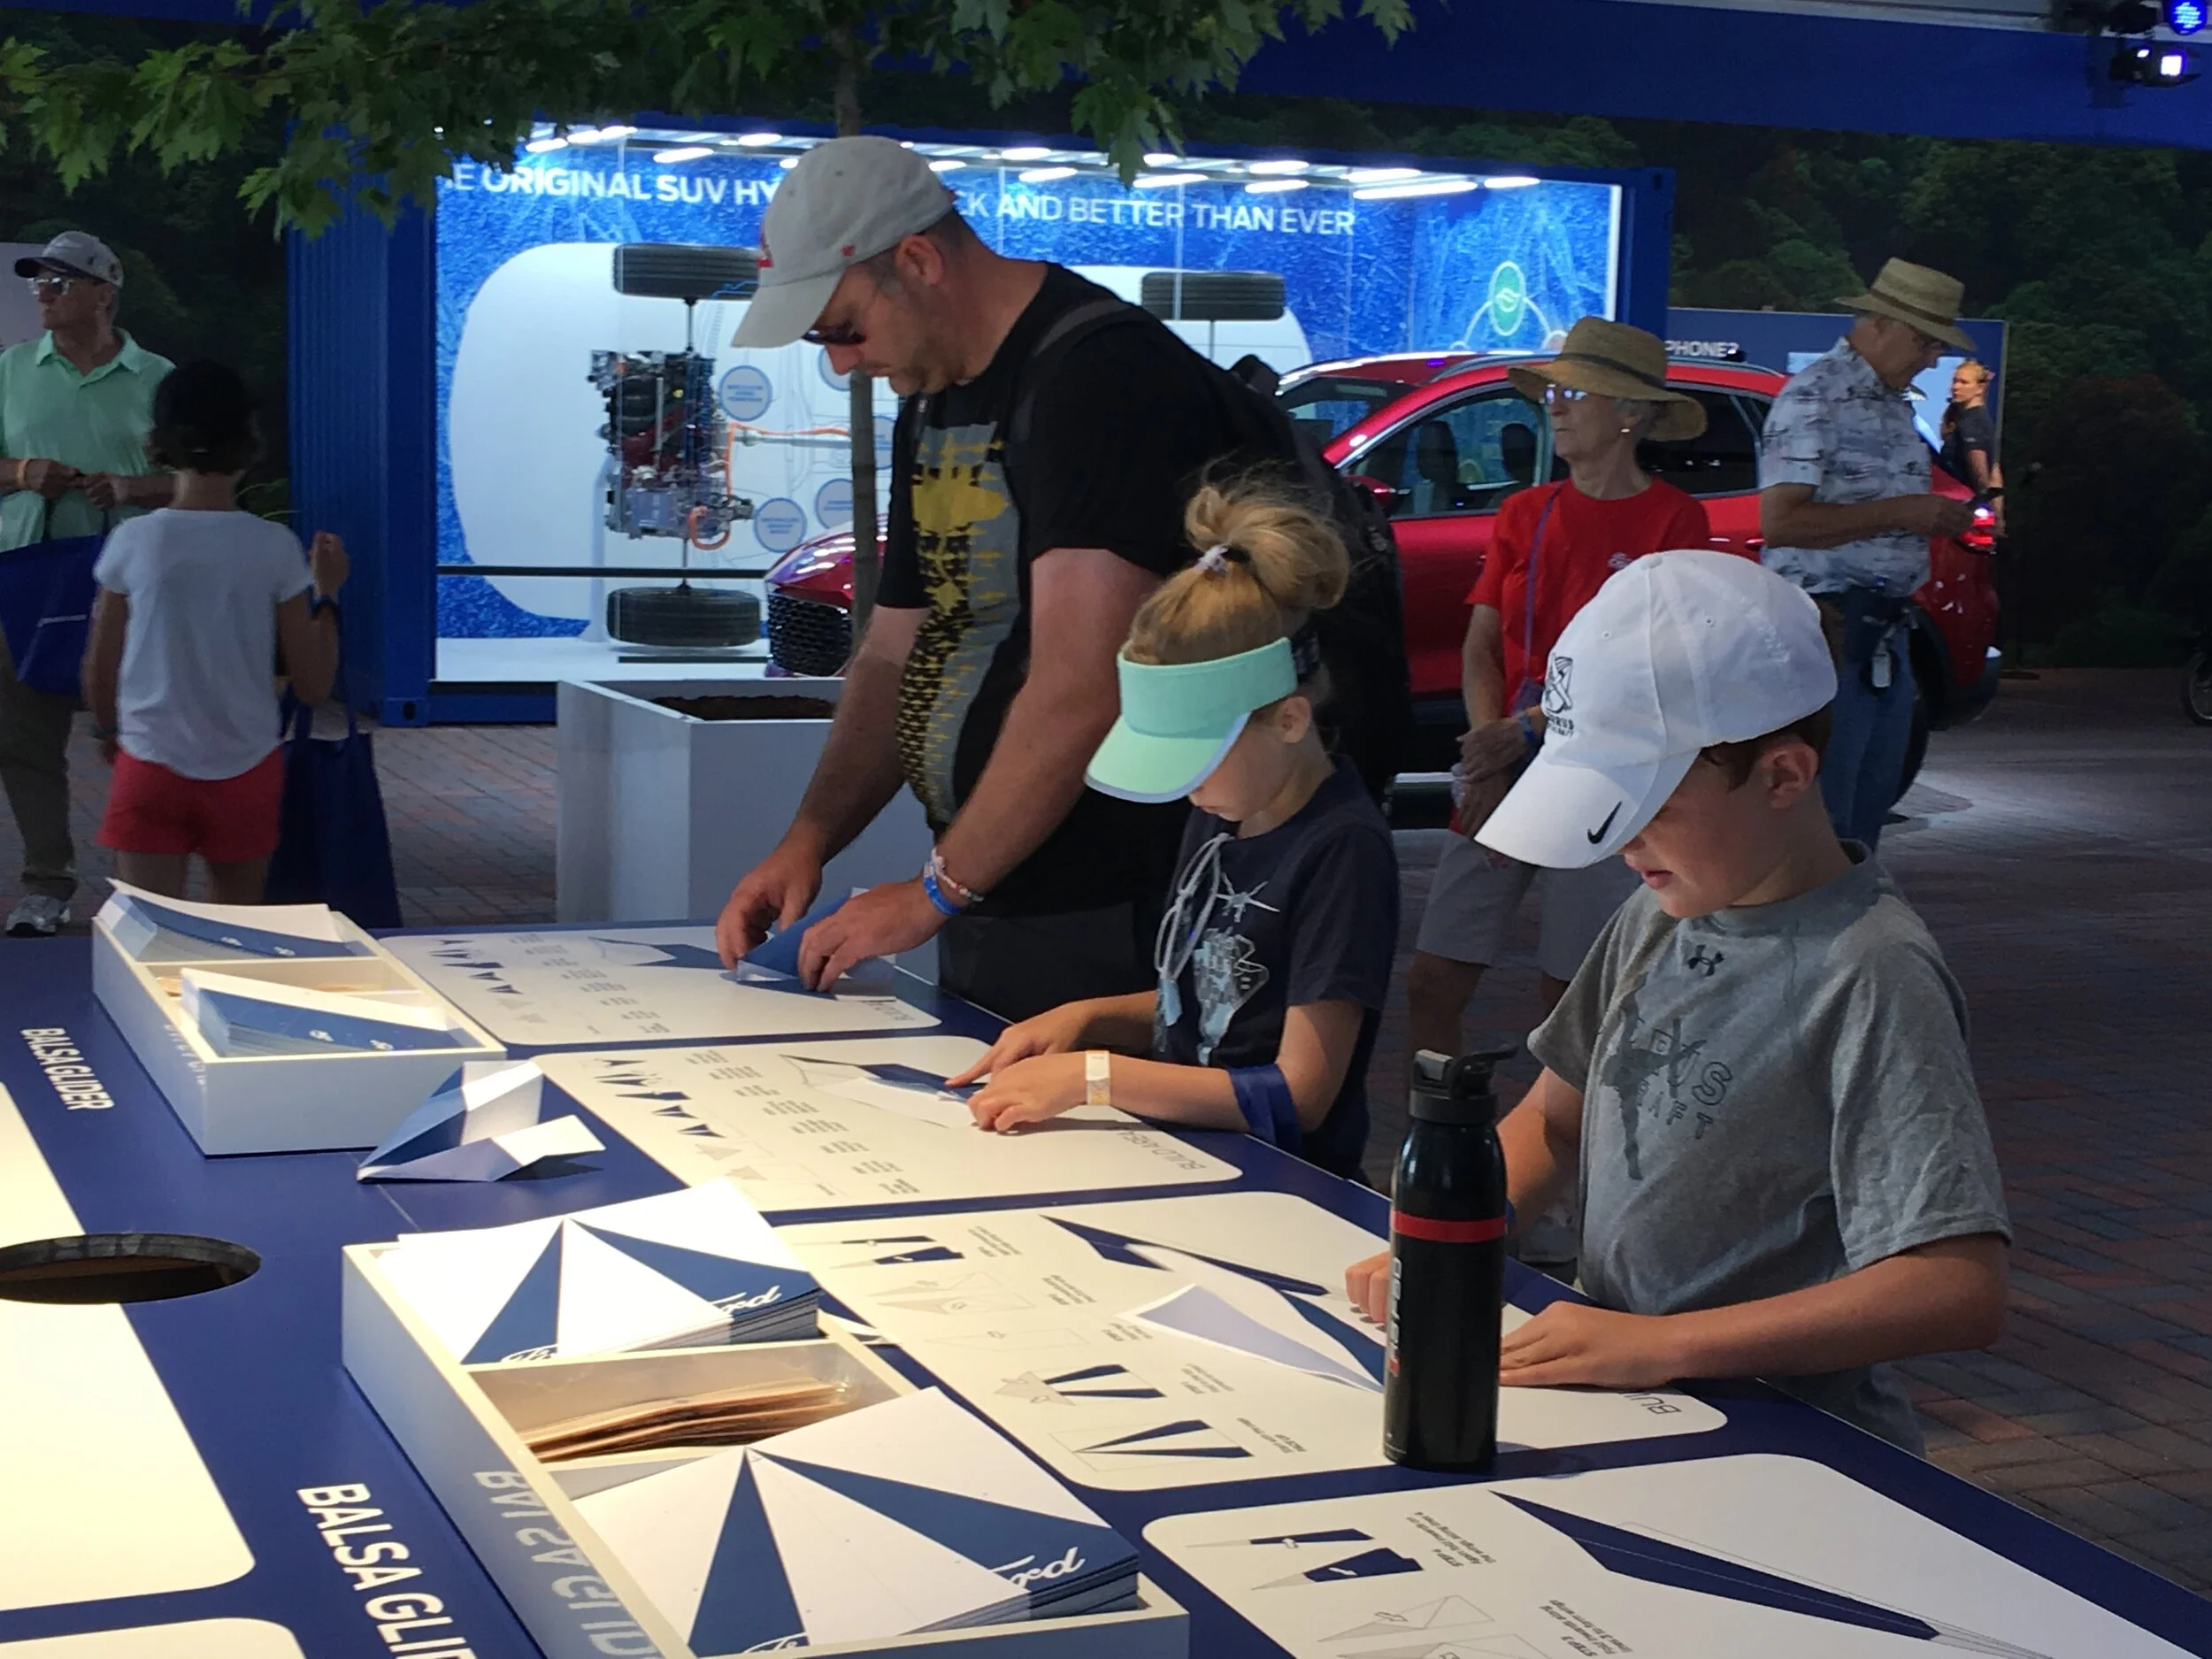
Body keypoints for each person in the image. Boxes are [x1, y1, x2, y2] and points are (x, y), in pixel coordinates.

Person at [1346, 550, 2010, 1453]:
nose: (1623, 846)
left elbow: (1953, 1286)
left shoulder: (1871, 970)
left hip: (1793, 1447)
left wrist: (1659, 1346)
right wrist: (1448, 1246)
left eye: (1647, 806)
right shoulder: (1658, 913)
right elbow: (1554, 1121)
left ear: (1783, 775)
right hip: (1645, 1408)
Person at [713, 137, 1273, 1021]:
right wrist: (809, 840)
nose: (839, 363)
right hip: (1000, 888)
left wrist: (938, 891)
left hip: (1118, 894)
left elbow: (1081, 684)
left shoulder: (1099, 379)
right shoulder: (931, 397)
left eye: (844, 327)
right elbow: (894, 651)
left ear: (919, 260)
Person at [945, 480, 1396, 1180]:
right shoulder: (1223, 810)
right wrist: (1087, 1016)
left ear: (1288, 720)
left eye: (1201, 762)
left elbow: (1302, 1091)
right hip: (1184, 1156)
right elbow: (1215, 993)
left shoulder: (1342, 848)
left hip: (1288, 1188)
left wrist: (1094, 1075)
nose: (1190, 788)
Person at [1406, 318, 1714, 1067]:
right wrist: (1491, 754)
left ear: (1631, 414)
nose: (1557, 404)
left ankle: (1564, 1150)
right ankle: (1440, 1137)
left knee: (1571, 995)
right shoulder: (1526, 512)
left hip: (1605, 776)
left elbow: (1655, 666)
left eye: (1576, 391)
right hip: (1511, 769)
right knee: (1433, 978)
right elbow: (1483, 642)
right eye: (1555, 391)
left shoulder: (1677, 519)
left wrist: (1527, 730)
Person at [81, 361, 347, 904]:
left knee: (147, 942)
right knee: (236, 939)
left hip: (150, 763)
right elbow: (315, 684)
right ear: (248, 442)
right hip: (246, 767)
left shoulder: (135, 540)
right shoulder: (274, 546)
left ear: (159, 442)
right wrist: (329, 593)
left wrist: (109, 730)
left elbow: (100, 664)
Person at [1759, 258, 1977, 849]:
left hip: (1884, 638)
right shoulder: (1814, 397)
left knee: (1863, 818)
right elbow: (1779, 522)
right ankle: (1804, 935)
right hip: (1826, 634)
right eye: (1927, 341)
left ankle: (1845, 932)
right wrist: (1904, 512)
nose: (1933, 358)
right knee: (1815, 823)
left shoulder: (1891, 404)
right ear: (1882, 322)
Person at [0, 232, 175, 936]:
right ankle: (48, 883)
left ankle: (153, 889)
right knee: (22, 735)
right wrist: (20, 474)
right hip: (29, 579)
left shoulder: (158, 378)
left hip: (136, 584)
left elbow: (204, 479)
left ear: (104, 292)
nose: (42, 293)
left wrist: (136, 486)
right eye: (37, 282)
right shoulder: (12, 369)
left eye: (59, 282)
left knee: (143, 732)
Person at [1939, 359, 2002, 532]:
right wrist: (1997, 515)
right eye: (1955, 381)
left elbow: (1980, 467)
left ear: (1980, 389)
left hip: (1964, 507)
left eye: (1963, 382)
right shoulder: (1978, 418)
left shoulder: (1971, 423)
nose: (1956, 387)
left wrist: (1984, 501)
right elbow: (1995, 470)